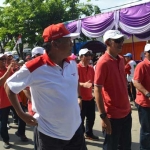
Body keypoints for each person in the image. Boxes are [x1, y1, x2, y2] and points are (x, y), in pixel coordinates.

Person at [5, 23, 86, 150]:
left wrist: (78, 97)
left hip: (75, 130)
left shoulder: (71, 62)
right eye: (68, 40)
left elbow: (74, 82)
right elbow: (9, 86)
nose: (72, 44)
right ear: (55, 44)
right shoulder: (33, 67)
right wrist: (21, 114)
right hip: (50, 135)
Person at [94, 30, 132, 150]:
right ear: (108, 42)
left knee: (125, 146)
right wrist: (103, 116)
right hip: (112, 116)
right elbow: (97, 91)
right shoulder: (102, 63)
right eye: (117, 41)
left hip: (126, 113)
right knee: (111, 147)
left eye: (122, 40)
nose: (121, 43)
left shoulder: (121, 59)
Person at [0, 54, 28, 149]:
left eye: (5, 59)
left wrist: (17, 68)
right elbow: (1, 82)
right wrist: (9, 70)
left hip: (14, 99)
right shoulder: (7, 70)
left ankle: (20, 133)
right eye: (2, 59)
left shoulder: (10, 68)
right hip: (2, 102)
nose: (4, 60)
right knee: (3, 123)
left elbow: (19, 78)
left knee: (23, 116)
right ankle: (6, 140)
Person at [78, 48, 98, 140]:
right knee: (80, 120)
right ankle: (80, 136)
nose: (89, 57)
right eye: (86, 55)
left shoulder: (91, 68)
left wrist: (95, 91)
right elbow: (72, 82)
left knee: (91, 118)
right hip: (80, 99)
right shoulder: (76, 68)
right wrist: (83, 84)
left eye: (90, 55)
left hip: (90, 98)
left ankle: (89, 133)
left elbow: (93, 82)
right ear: (81, 57)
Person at [133, 43, 150, 150]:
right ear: (145, 53)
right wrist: (148, 93)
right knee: (146, 130)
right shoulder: (142, 65)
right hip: (144, 103)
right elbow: (136, 82)